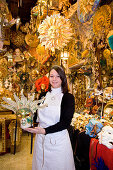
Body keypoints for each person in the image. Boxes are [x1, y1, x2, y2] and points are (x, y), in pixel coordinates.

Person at [25, 65, 76, 170]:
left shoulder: (68, 97)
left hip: (58, 140)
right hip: (40, 139)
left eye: (58, 76)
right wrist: (26, 117)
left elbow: (65, 123)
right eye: (51, 76)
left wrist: (45, 130)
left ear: (63, 78)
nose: (54, 79)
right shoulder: (43, 95)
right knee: (40, 165)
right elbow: (36, 116)